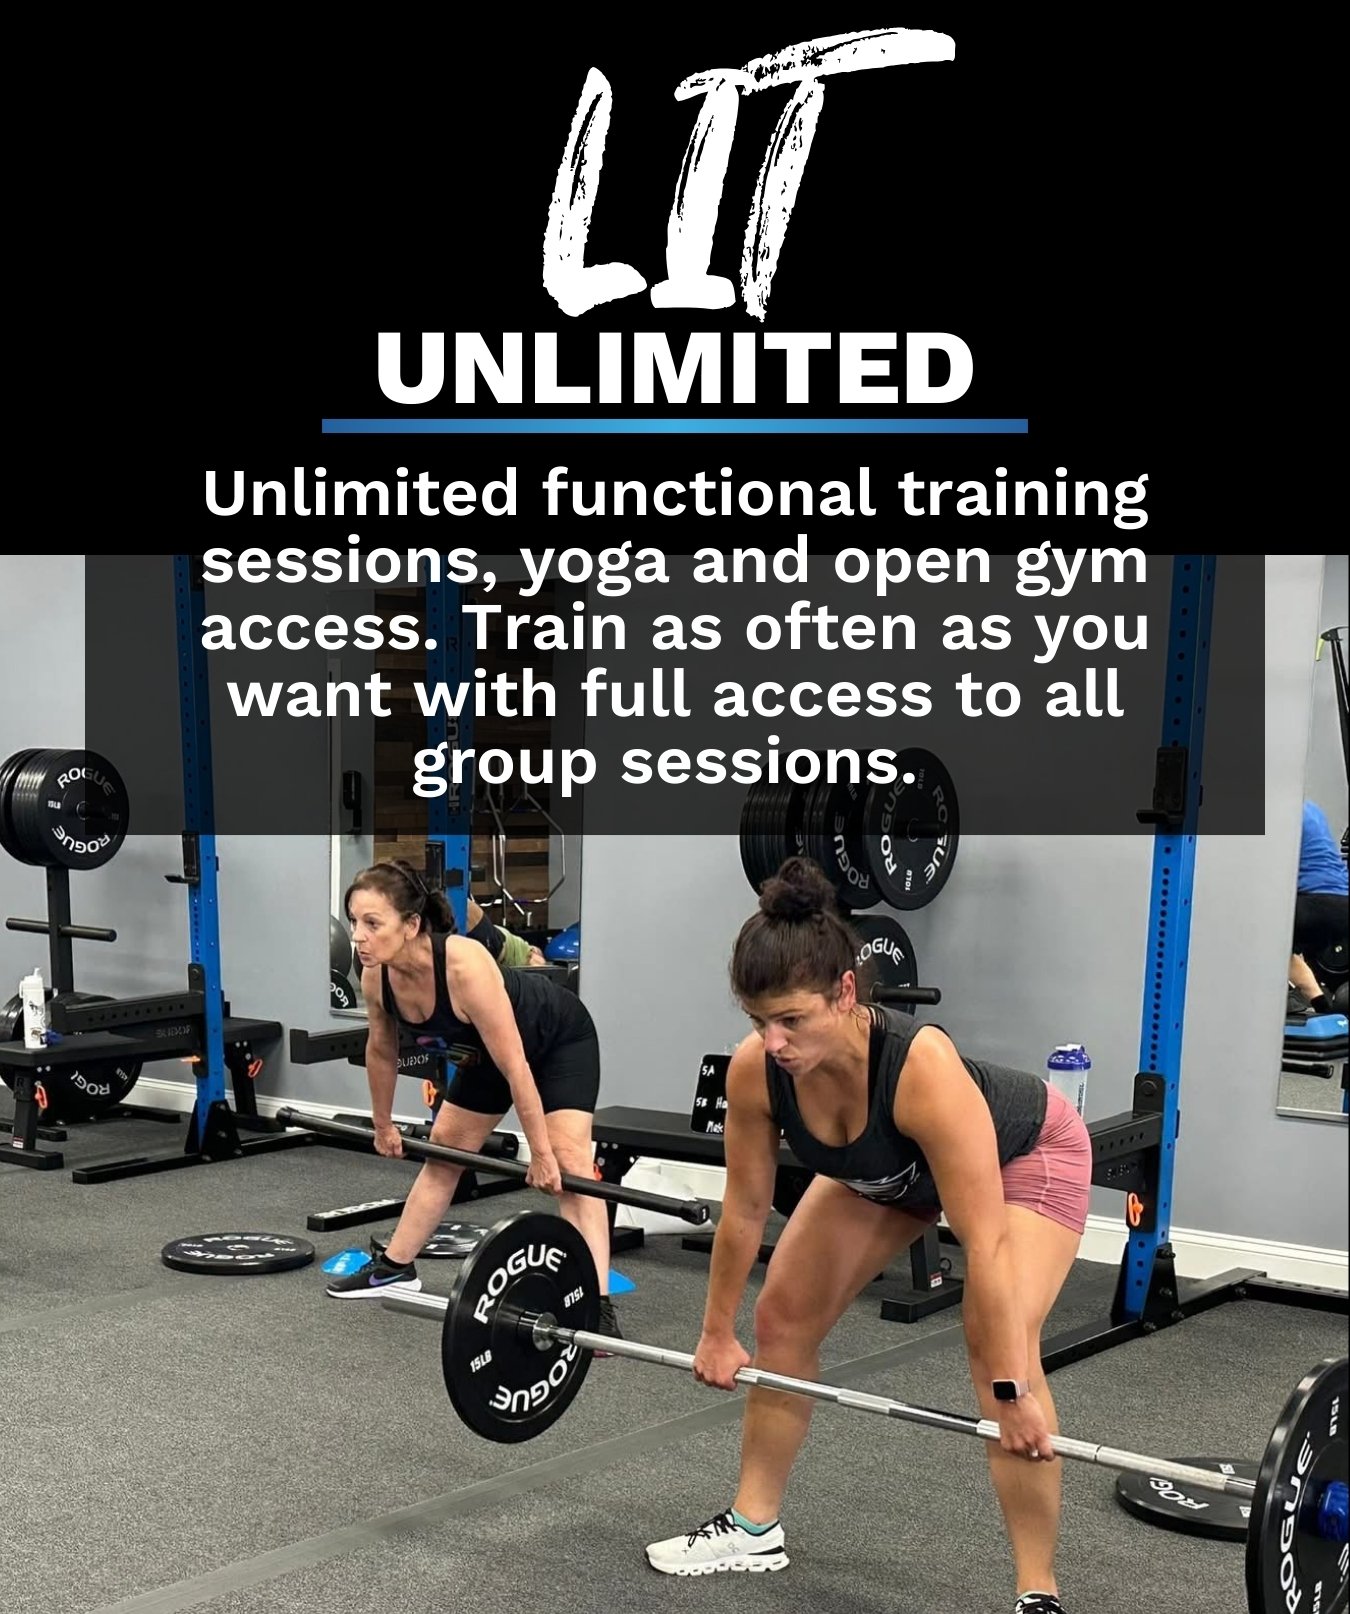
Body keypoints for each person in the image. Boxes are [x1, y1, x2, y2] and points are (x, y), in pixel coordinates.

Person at [644, 857, 1092, 1614]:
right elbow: (746, 1209)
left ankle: (1038, 1593)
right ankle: (754, 1527)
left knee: (996, 1353)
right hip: (894, 1174)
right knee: (782, 1317)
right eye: (758, 1021)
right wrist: (717, 1331)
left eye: (792, 1019)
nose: (774, 1040)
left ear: (845, 993)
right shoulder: (758, 1073)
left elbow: (985, 1244)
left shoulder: (922, 1071)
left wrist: (1013, 1391)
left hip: (1027, 1157)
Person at [325, 859, 622, 1345]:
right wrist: (383, 1125)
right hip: (487, 1055)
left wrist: (541, 1154)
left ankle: (598, 1304)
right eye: (355, 921)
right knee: (444, 1151)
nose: (358, 935)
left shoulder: (464, 964)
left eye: (372, 923)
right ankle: (396, 1267)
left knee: (571, 1166)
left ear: (412, 924)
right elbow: (380, 1049)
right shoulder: (377, 974)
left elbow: (517, 1067)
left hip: (555, 1040)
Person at [1289, 800, 1349, 1015]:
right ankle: (1322, 1007)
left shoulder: (1277, 808)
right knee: (1286, 950)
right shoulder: (1311, 808)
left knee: (1267, 941)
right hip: (1343, 903)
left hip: (1315, 904)